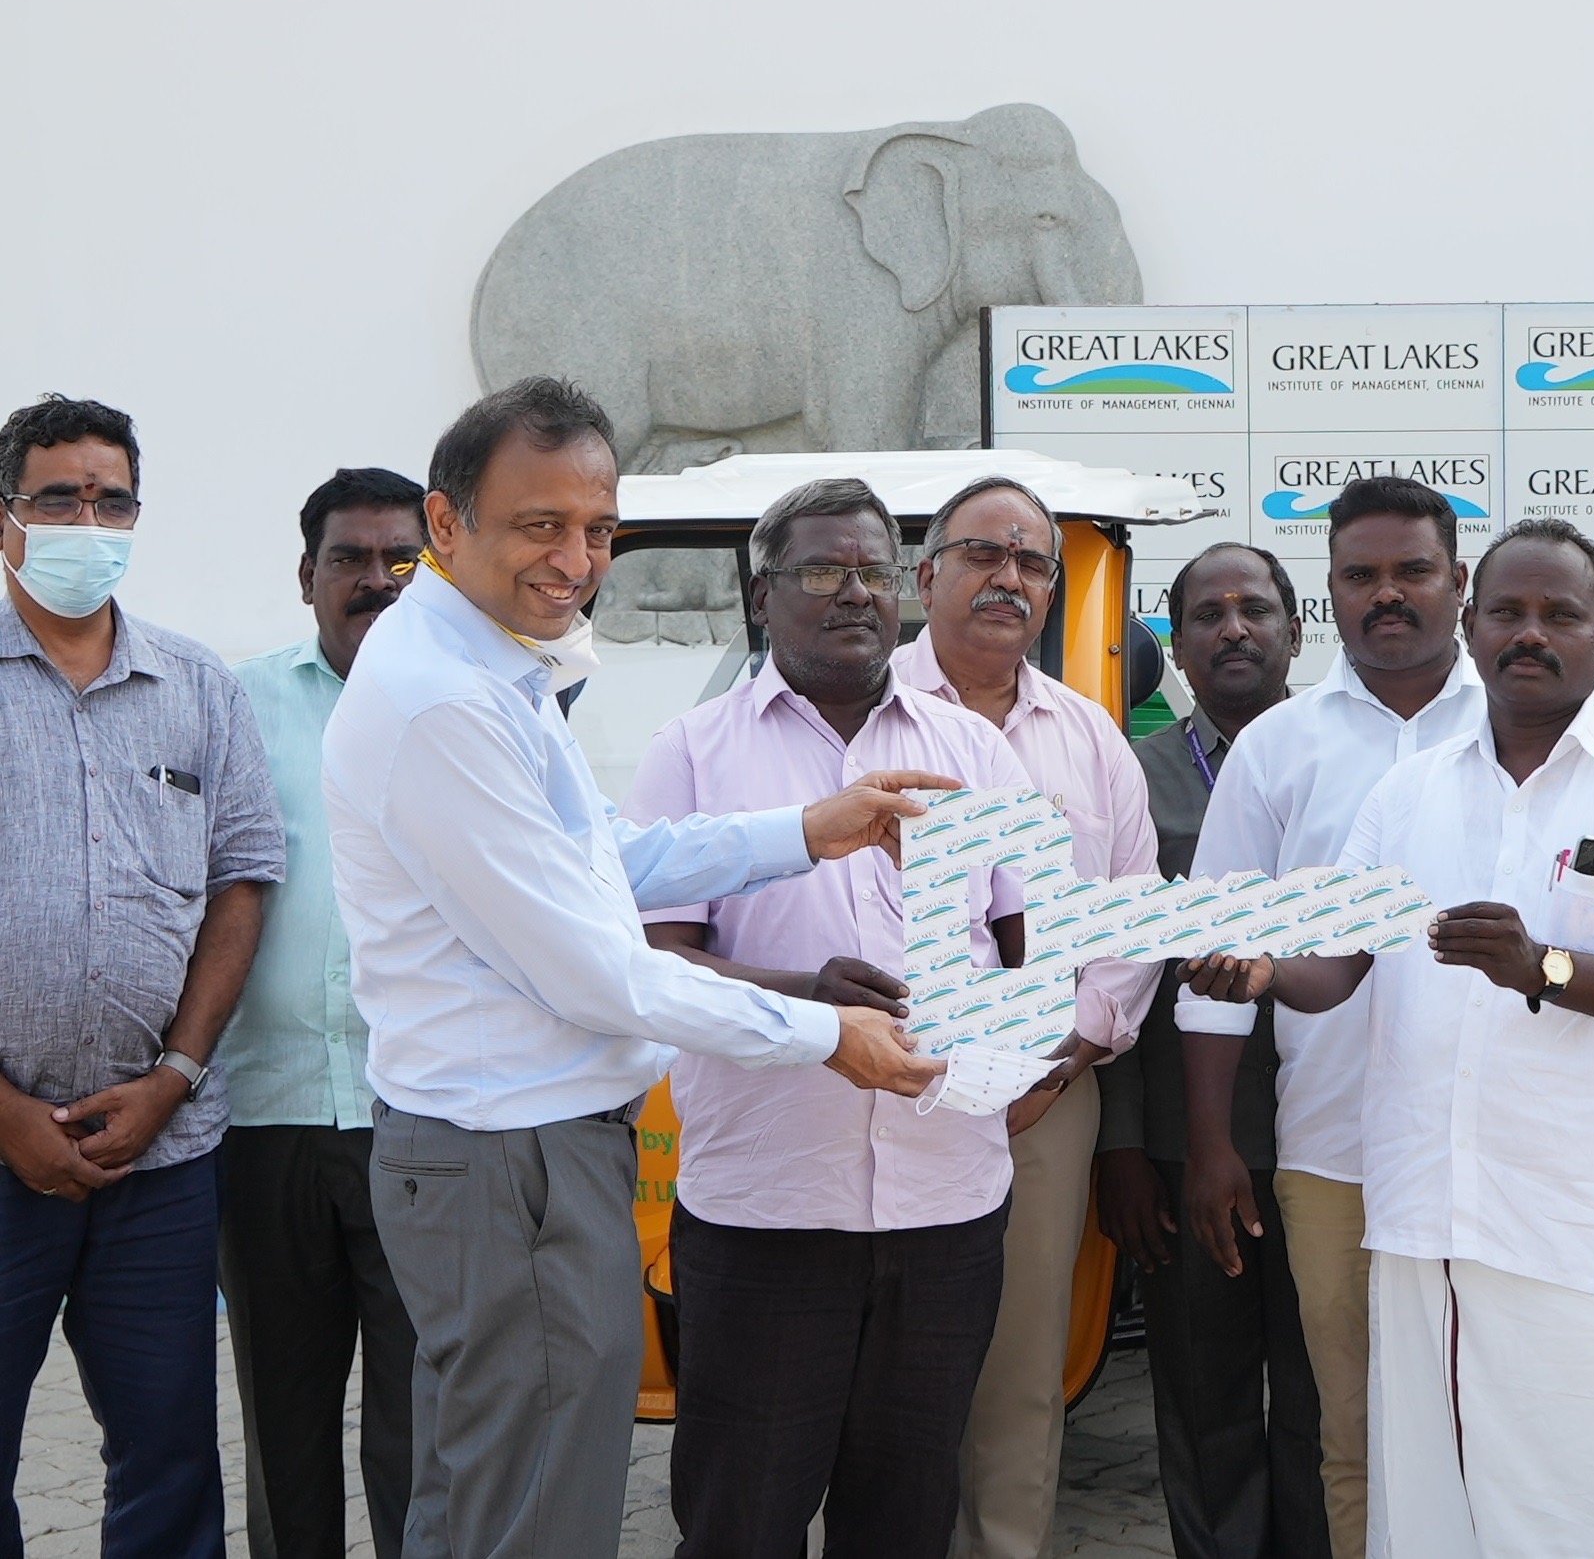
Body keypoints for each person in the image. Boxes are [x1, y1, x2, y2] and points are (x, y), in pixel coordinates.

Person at [322, 379, 948, 1559]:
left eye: (596, 530)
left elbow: (605, 860)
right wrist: (828, 1035)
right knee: (540, 1517)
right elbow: (596, 972)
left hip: (510, 1155)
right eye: (539, 525)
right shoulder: (444, 701)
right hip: (512, 1159)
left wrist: (806, 829)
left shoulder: (497, 663)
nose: (575, 560)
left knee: (486, 1497)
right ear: (445, 523)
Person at [1188, 517, 1594, 1559]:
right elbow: (1336, 964)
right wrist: (1262, 970)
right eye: (1507, 612)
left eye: (1558, 615)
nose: (1528, 634)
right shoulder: (1407, 794)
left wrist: (1548, 970)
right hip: (1433, 1217)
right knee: (1433, 1494)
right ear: (1472, 628)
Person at [625, 477, 1054, 1559]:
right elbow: (654, 957)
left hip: (945, 1202)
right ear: (761, 595)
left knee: (903, 1519)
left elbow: (1032, 943)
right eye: (821, 570)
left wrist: (982, 1036)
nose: (853, 593)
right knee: (741, 1520)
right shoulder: (692, 751)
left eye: (873, 571)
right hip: (768, 1210)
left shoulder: (976, 753)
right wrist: (801, 997)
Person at [1170, 476, 1486, 1559]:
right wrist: (1210, 1148)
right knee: (1348, 1432)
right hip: (1329, 1148)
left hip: (1497, 1145)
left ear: (1458, 584)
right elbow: (1210, 960)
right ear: (1332, 595)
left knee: (1488, 1428)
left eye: (1411, 573)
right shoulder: (1277, 748)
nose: (1385, 596)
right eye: (1360, 576)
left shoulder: (1521, 730)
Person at [0, 394, 283, 1559]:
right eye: (57, 497)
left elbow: (243, 878)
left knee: (169, 1458)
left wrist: (173, 1076)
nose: (87, 519)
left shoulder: (198, 685)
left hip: (159, 1154)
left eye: (110, 498)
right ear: (7, 516)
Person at [888, 474, 1162, 1559]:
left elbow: (1134, 911)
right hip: (888, 1090)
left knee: (1017, 1371)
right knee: (879, 1368)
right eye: (981, 554)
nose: (1008, 578)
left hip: (1048, 1097)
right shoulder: (861, 708)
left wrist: (1063, 1052)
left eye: (1031, 562)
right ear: (927, 575)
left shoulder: (1088, 736)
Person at [1096, 542, 1329, 1559]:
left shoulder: (1350, 760)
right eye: (1206, 614)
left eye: (1255, 608)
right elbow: (1109, 974)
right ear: (1177, 646)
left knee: (1326, 1397)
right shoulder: (1129, 779)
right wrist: (1122, 1150)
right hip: (1187, 1143)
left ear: (1293, 629)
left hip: (1335, 1133)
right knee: (1203, 1393)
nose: (1232, 627)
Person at [218, 466, 428, 1559]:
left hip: (420, 1122)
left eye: (403, 558)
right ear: (308, 575)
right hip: (266, 1118)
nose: (378, 580)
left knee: (417, 1432)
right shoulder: (233, 704)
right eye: (351, 558)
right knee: (285, 1428)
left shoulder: (475, 705)